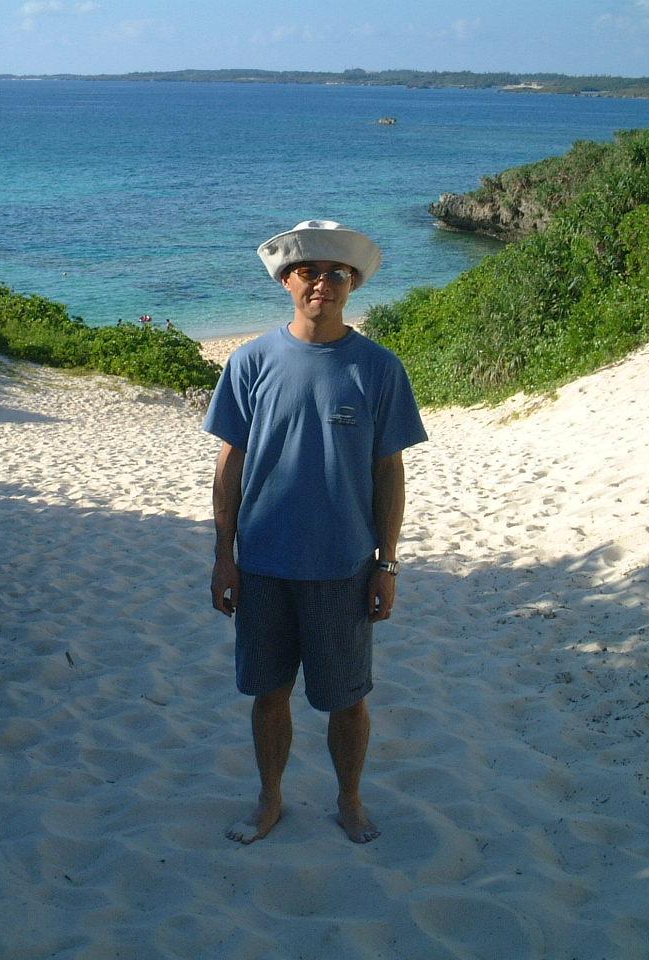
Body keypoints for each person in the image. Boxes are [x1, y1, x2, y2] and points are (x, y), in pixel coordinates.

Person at [203, 220, 427, 844]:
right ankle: (269, 799)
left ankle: (349, 800)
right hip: (263, 565)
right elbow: (229, 464)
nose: (322, 283)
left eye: (336, 273)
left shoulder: (378, 368)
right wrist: (224, 556)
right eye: (308, 271)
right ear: (286, 280)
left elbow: (388, 472)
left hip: (344, 567)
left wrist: (387, 563)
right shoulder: (250, 361)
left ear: (353, 284)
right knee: (268, 693)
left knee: (347, 699)